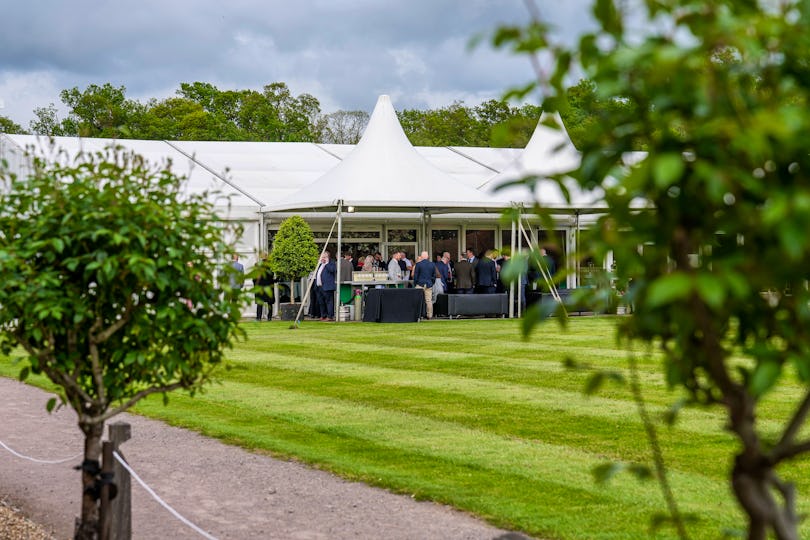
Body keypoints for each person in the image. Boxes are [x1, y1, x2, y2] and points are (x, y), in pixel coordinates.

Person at [412, 251, 437, 320]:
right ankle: (429, 315)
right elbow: (434, 276)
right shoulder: (432, 264)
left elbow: (416, 276)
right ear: (427, 256)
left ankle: (417, 315)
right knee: (428, 300)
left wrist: (415, 283)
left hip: (420, 284)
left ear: (422, 257)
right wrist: (432, 283)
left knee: (417, 300)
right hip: (429, 284)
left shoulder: (418, 264)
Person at [315, 252, 337, 320]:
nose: (323, 258)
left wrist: (326, 263)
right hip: (319, 286)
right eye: (322, 257)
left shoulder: (331, 263)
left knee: (329, 302)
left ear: (328, 257)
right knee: (321, 302)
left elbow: (333, 270)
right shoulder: (320, 264)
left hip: (327, 286)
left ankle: (330, 316)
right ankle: (323, 315)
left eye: (325, 257)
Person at [254, 256, 274, 321]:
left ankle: (259, 317)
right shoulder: (270, 269)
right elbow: (271, 279)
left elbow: (254, 279)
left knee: (260, 304)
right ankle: (269, 317)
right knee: (269, 303)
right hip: (268, 288)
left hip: (260, 288)